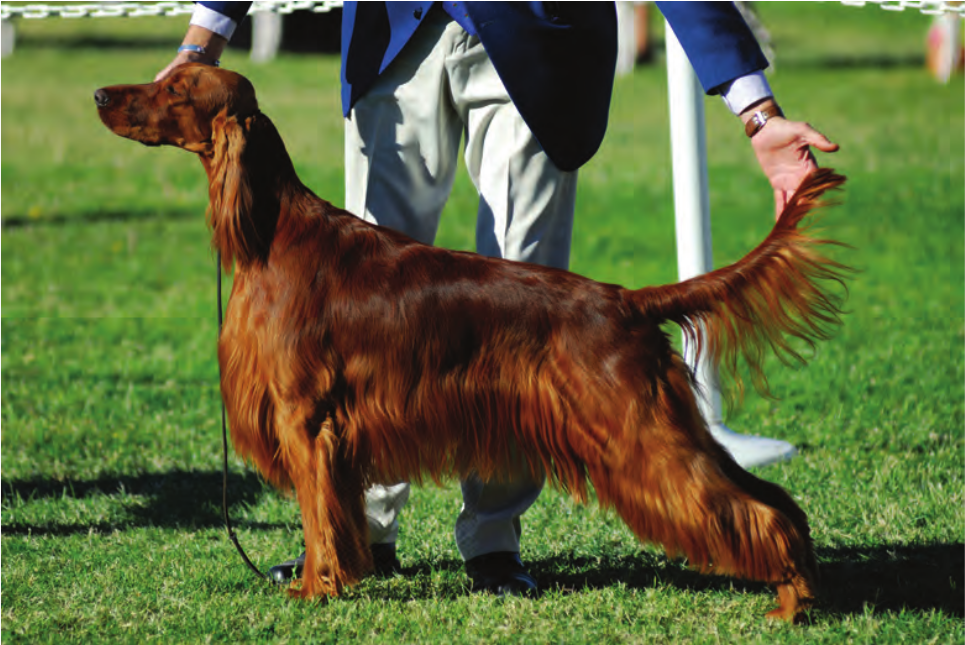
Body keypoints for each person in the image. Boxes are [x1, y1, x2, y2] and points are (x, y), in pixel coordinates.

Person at [158, 1, 838, 596]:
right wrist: (201, 41)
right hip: (394, 37)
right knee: (360, 318)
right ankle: (351, 536)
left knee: (528, 306)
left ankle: (493, 541)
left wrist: (756, 110)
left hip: (536, 40)